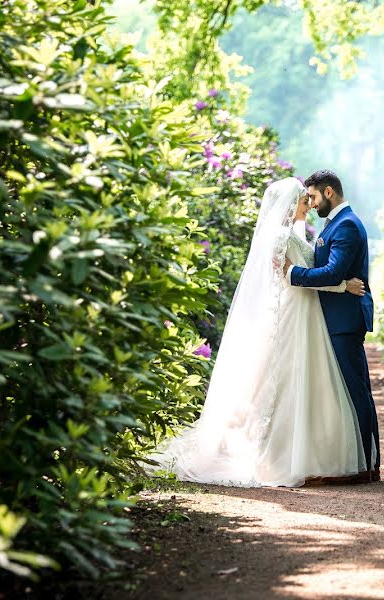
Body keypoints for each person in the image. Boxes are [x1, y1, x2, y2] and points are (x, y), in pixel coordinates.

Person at [148, 177, 367, 487]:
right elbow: (289, 277)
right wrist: (342, 285)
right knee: (291, 380)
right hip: (296, 310)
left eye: (310, 199)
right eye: (305, 200)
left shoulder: (294, 233)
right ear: (292, 205)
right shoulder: (280, 236)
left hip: (307, 312)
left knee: (307, 380)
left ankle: (311, 455)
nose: (309, 204)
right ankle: (283, 456)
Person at [285, 169, 380, 482]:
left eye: (312, 196)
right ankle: (361, 462)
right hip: (336, 316)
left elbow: (332, 271)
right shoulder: (335, 223)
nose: (310, 204)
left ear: (328, 192)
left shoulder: (347, 225)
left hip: (344, 319)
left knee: (355, 391)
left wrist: (292, 275)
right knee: (351, 390)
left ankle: (366, 466)